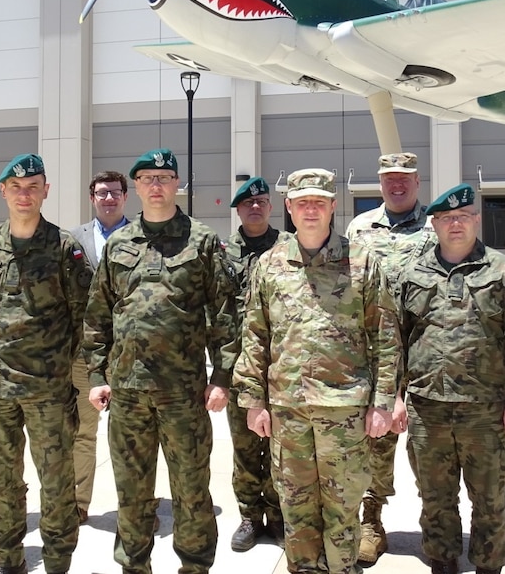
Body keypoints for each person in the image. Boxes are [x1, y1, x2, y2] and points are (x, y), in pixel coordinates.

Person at [234, 168, 399, 574]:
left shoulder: (361, 262)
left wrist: (384, 403)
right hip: (287, 411)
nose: (311, 210)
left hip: (344, 411)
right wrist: (253, 401)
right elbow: (255, 335)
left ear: (332, 207)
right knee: (295, 507)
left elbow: (386, 337)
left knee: (342, 509)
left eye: (319, 203)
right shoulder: (270, 264)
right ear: (289, 207)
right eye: (303, 202)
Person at [85, 147, 237, 574]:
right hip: (127, 392)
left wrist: (222, 376)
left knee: (192, 490)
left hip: (184, 393)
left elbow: (224, 313)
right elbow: (99, 315)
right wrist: (97, 375)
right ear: (136, 187)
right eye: (147, 178)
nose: (156, 185)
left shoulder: (202, 240)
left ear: (176, 185)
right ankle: (134, 567)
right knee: (132, 492)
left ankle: (194, 566)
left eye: (164, 177)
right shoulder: (118, 243)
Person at [393, 184, 505, 574]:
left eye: (462, 217)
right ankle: (442, 562)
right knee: (435, 496)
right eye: (446, 218)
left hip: (485, 411)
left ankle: (489, 565)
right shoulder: (413, 271)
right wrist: (395, 397)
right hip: (428, 408)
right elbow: (395, 340)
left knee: (490, 497)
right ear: (434, 224)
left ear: (475, 220)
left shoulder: (501, 270)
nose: (455, 224)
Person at [0, 153, 92, 574]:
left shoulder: (64, 248)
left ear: (46, 191)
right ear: (2, 191)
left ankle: (57, 562)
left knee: (56, 482)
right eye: (16, 187)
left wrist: (53, 360)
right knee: (2, 483)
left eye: (33, 186)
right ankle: (8, 560)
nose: (25, 194)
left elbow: (83, 314)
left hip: (47, 390)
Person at [344, 151, 431, 566]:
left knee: (431, 447)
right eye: (389, 178)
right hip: (375, 348)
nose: (397, 185)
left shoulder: (436, 227)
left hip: (428, 351)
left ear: (417, 181)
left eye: (405, 178)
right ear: (380, 183)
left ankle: (439, 523)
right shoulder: (360, 228)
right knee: (375, 440)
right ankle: (371, 522)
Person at [223, 177, 287, 552]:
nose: (256, 208)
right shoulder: (221, 251)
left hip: (281, 366)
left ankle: (277, 515)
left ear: (270, 206)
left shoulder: (288, 247)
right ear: (238, 209)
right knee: (245, 446)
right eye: (248, 204)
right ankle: (249, 515)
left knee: (279, 445)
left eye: (262, 201)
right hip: (238, 366)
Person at [69, 170, 130, 522]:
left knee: (132, 437)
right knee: (83, 431)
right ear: (92, 197)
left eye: (115, 192)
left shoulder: (141, 236)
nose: (109, 198)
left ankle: (135, 505)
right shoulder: (73, 239)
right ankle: (79, 501)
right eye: (102, 193)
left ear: (125, 196)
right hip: (85, 353)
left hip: (129, 353)